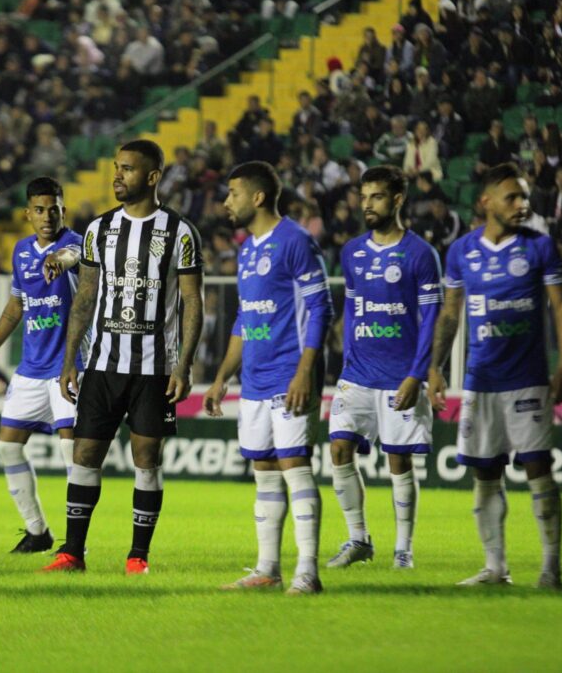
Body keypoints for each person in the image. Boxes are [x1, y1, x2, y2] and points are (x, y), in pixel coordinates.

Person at [41, 140, 204, 575]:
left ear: (152, 178)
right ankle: (72, 553)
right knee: (84, 454)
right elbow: (86, 298)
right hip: (102, 364)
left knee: (147, 459)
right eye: (116, 167)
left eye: (127, 169)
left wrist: (184, 365)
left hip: (154, 368)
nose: (117, 176)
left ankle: (138, 556)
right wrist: (69, 360)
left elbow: (193, 301)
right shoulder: (99, 230)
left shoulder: (180, 232)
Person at [428, 162, 562, 589]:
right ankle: (496, 567)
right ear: (485, 201)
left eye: (524, 197)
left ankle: (551, 567)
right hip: (481, 380)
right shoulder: (460, 251)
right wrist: (434, 369)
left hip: (528, 377)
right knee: (485, 472)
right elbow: (451, 313)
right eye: (512, 196)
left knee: (537, 469)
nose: (522, 204)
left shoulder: (539, 246)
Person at [203, 162, 332, 595]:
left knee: (295, 466)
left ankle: (308, 572)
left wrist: (304, 372)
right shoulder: (246, 250)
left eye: (233, 193)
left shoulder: (295, 241)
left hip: (288, 374)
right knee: (264, 470)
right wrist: (223, 376)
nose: (227, 202)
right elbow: (245, 316)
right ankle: (267, 569)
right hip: (255, 379)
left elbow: (320, 309)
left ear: (257, 197)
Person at [325, 165, 442, 570]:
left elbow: (431, 319)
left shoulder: (421, 254)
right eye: (364, 196)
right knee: (339, 447)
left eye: (376, 196)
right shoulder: (352, 252)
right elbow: (353, 308)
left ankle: (403, 550)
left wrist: (418, 373)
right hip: (356, 374)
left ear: (397, 200)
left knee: (399, 461)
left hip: (399, 375)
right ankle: (359, 539)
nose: (367, 204)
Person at [0, 177, 83, 553]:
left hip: (70, 367)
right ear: (28, 214)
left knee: (73, 453)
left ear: (63, 209)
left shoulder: (77, 244)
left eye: (54, 208)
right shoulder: (20, 251)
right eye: (39, 210)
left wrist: (59, 260)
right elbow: (16, 306)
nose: (47, 216)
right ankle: (38, 532)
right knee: (7, 447)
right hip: (31, 369)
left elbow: (72, 258)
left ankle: (76, 544)